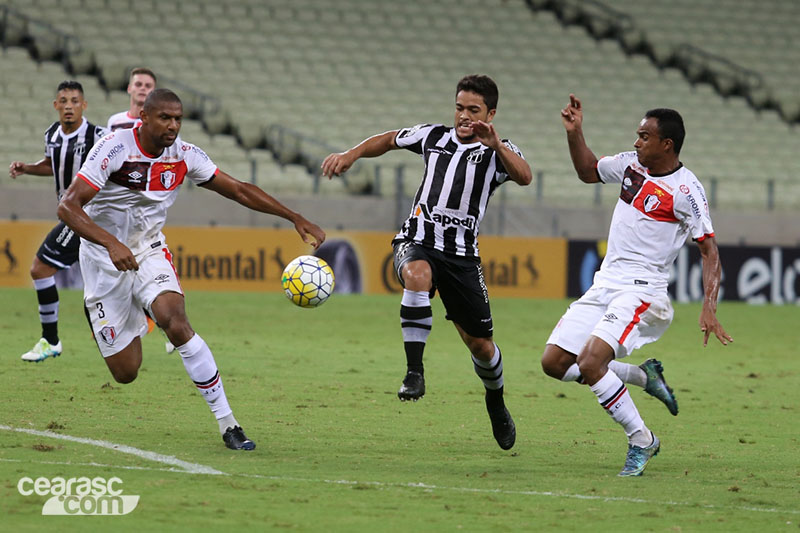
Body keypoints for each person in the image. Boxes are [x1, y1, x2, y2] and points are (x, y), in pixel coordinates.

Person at [57, 88, 326, 450]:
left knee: (176, 319)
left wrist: (294, 216)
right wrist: (110, 242)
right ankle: (122, 311)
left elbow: (239, 190)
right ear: (145, 118)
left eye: (178, 118)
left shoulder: (183, 155)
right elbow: (68, 207)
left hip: (149, 249)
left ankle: (229, 424)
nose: (173, 125)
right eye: (165, 118)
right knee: (126, 372)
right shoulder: (114, 147)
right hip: (103, 257)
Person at [321, 74, 532, 450]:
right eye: (459, 107)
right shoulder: (433, 137)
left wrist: (496, 144)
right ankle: (414, 372)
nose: (464, 116)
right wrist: (351, 154)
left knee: (481, 346)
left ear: (491, 113)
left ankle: (495, 401)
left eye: (474, 110)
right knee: (416, 277)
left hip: (463, 257)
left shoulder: (496, 151)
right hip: (416, 239)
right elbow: (388, 139)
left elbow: (525, 176)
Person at [541, 94, 733, 476]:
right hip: (605, 282)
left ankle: (642, 440)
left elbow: (709, 250)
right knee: (555, 363)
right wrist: (575, 132)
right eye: (637, 135)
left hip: (642, 289)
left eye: (644, 137)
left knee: (592, 362)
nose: (636, 142)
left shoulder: (686, 191)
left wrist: (709, 306)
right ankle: (644, 376)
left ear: (667, 145)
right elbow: (587, 170)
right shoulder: (630, 167)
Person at [9, 80, 107, 362]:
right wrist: (27, 168)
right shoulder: (52, 134)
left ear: (84, 105)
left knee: (41, 269)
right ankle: (156, 320)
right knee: (110, 278)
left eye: (75, 101)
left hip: (86, 215)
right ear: (55, 105)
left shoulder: (97, 136)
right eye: (63, 101)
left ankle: (51, 340)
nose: (68, 106)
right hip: (72, 215)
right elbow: (53, 164)